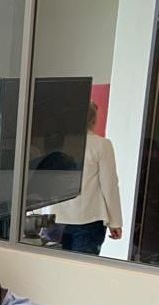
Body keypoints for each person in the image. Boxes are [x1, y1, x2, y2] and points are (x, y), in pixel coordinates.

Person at [41, 101, 122, 255]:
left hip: (53, 218)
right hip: (88, 218)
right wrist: (115, 221)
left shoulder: (54, 142)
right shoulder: (101, 145)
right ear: (93, 120)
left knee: (52, 268)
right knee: (82, 270)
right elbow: (110, 185)